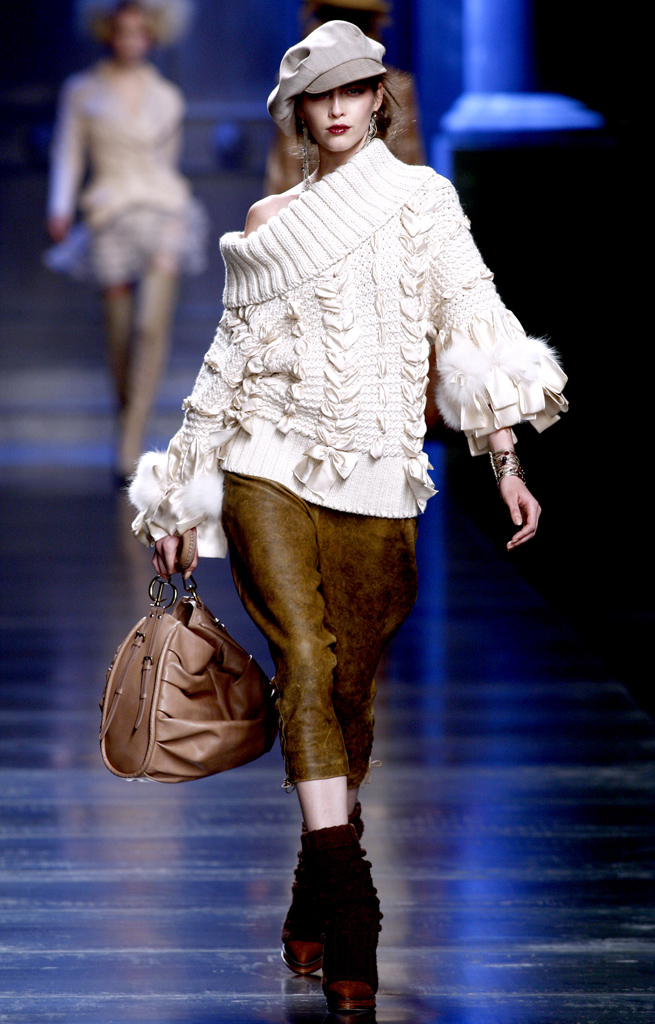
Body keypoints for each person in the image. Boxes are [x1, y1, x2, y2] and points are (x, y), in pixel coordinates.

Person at [128, 20, 568, 1014]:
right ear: (296, 113)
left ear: (377, 100)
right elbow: (228, 360)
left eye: (351, 89)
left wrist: (501, 455)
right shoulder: (270, 217)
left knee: (349, 692)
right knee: (306, 663)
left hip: (377, 472)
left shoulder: (423, 201)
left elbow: (469, 318)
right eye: (316, 95)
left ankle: (315, 877)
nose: (334, 109)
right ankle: (353, 902)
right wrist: (180, 490)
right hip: (266, 463)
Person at [45, 0, 206, 480]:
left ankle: (130, 443)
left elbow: (167, 165)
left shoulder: (167, 97)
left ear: (153, 34)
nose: (131, 39)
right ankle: (127, 431)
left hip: (163, 212)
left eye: (140, 30)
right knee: (119, 335)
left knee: (149, 328)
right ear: (107, 31)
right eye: (122, 30)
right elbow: (68, 151)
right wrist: (59, 205)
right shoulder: (82, 91)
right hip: (109, 214)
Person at [263, 0, 425, 196]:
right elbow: (285, 174)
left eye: (354, 91)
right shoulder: (300, 85)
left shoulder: (398, 87)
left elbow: (411, 169)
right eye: (320, 94)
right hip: (309, 205)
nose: (336, 109)